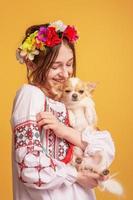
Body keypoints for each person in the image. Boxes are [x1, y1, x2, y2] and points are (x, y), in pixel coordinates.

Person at [11, 20, 115, 200]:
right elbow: (30, 166)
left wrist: (65, 131)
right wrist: (77, 176)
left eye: (69, 64)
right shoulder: (30, 95)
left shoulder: (66, 101)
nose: (66, 73)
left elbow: (104, 147)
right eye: (55, 66)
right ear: (31, 64)